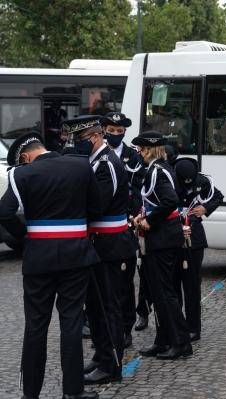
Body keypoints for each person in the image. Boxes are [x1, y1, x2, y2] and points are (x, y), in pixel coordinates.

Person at [0, 131, 102, 399]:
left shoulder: (21, 174)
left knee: (36, 325)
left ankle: (30, 394)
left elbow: (3, 211)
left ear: (25, 156)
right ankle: (73, 391)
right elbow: (97, 208)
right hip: (76, 254)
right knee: (70, 324)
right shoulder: (81, 165)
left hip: (39, 257)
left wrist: (24, 233)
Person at [62, 116, 137, 385]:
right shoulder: (96, 161)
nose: (76, 145)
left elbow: (96, 207)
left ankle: (112, 365)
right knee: (94, 308)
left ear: (95, 137)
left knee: (107, 308)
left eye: (80, 140)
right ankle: (101, 355)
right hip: (99, 244)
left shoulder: (105, 165)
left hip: (109, 245)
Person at [133, 131, 193, 359]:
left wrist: (149, 220)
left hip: (163, 239)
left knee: (165, 292)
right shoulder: (159, 168)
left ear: (147, 150)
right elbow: (154, 201)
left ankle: (181, 342)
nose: (138, 154)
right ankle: (163, 339)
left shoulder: (158, 170)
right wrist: (143, 216)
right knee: (157, 293)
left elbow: (170, 201)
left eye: (139, 150)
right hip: (160, 237)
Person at [99, 112, 146, 348]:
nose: (115, 134)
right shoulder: (98, 155)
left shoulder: (134, 157)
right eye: (111, 130)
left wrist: (138, 216)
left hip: (126, 222)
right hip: (101, 224)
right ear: (104, 130)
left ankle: (125, 326)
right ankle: (102, 327)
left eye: (120, 131)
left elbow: (138, 191)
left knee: (125, 281)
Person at [171, 157, 224, 340]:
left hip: (194, 235)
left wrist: (206, 208)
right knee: (172, 285)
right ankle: (175, 326)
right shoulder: (168, 177)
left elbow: (218, 196)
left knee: (193, 287)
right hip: (171, 234)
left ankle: (193, 328)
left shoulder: (202, 181)